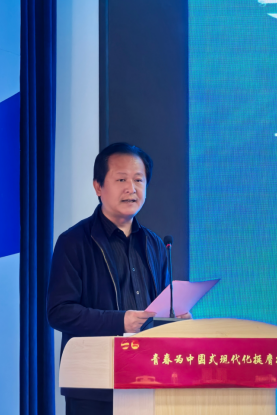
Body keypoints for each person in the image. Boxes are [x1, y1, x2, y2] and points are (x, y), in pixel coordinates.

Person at [47, 142, 189, 415]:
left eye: (139, 180)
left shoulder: (155, 244)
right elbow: (59, 313)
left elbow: (158, 310)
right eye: (121, 179)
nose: (131, 188)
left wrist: (175, 320)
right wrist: (120, 321)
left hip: (148, 381)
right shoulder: (74, 242)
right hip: (94, 387)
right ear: (98, 187)